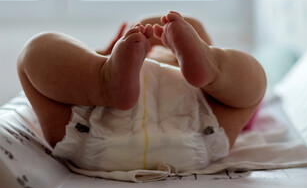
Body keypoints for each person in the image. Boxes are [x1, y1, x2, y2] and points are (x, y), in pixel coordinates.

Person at [17, 11, 266, 172]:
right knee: (252, 86)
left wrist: (100, 58)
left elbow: (66, 77)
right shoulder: (191, 80)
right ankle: (213, 65)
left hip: (92, 129)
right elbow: (244, 106)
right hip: (198, 132)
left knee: (34, 52)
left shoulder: (116, 67)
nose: (157, 38)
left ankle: (102, 80)